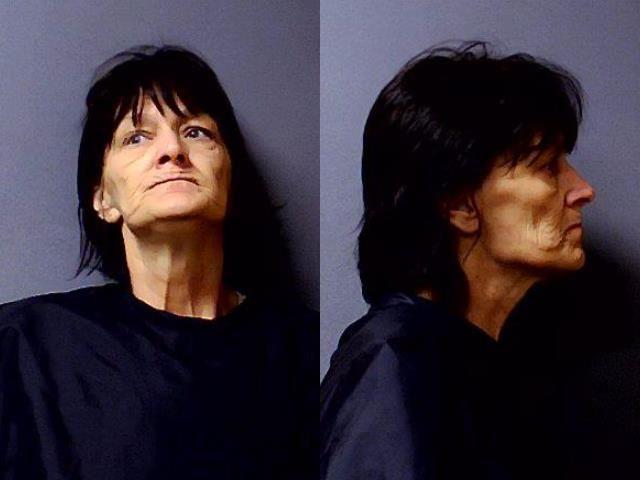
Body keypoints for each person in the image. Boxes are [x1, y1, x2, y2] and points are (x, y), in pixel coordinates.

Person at [0, 46, 317, 480]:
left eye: (196, 132)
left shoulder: (306, 351)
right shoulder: (27, 347)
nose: (172, 150)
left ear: (230, 179)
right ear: (103, 198)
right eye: (136, 137)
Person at [320, 41, 595, 479]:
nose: (582, 190)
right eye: (547, 166)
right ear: (459, 204)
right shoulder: (397, 363)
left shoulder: (473, 367)